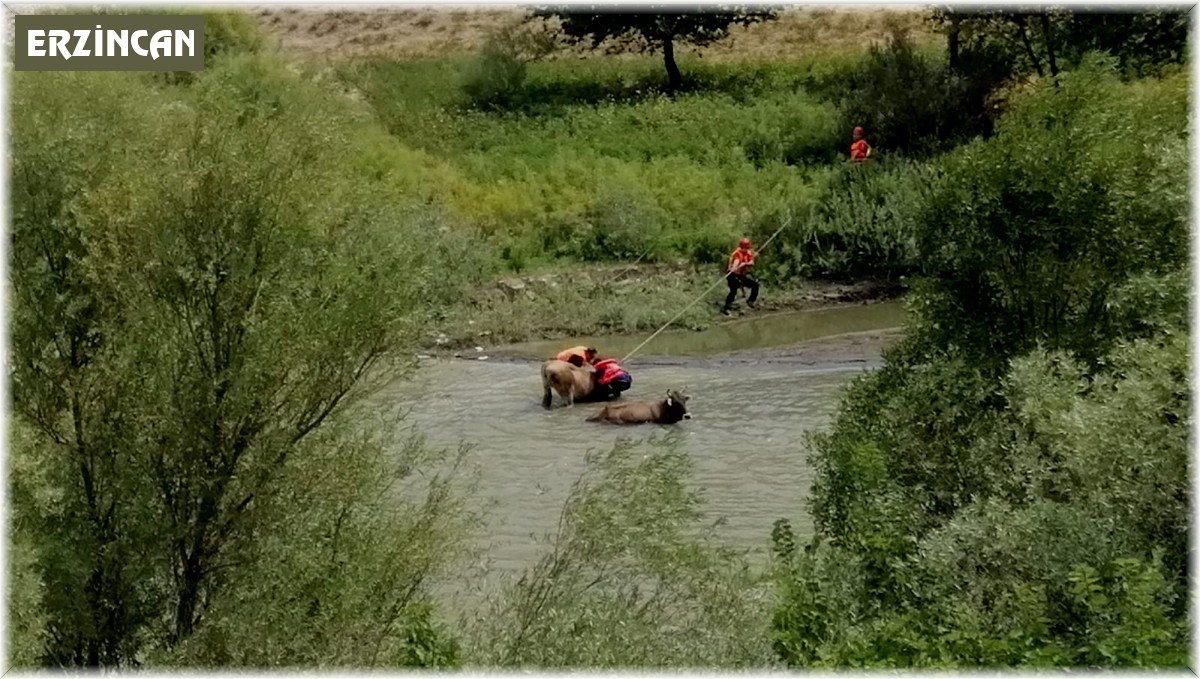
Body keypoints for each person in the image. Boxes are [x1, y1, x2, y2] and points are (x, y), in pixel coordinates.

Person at [723, 237, 759, 316]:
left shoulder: (748, 252)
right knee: (733, 290)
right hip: (732, 275)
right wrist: (734, 267)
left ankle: (751, 301)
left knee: (755, 285)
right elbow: (736, 261)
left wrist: (745, 263)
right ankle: (727, 307)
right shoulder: (737, 254)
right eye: (744, 248)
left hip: (741, 275)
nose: (745, 249)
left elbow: (752, 262)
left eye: (746, 248)